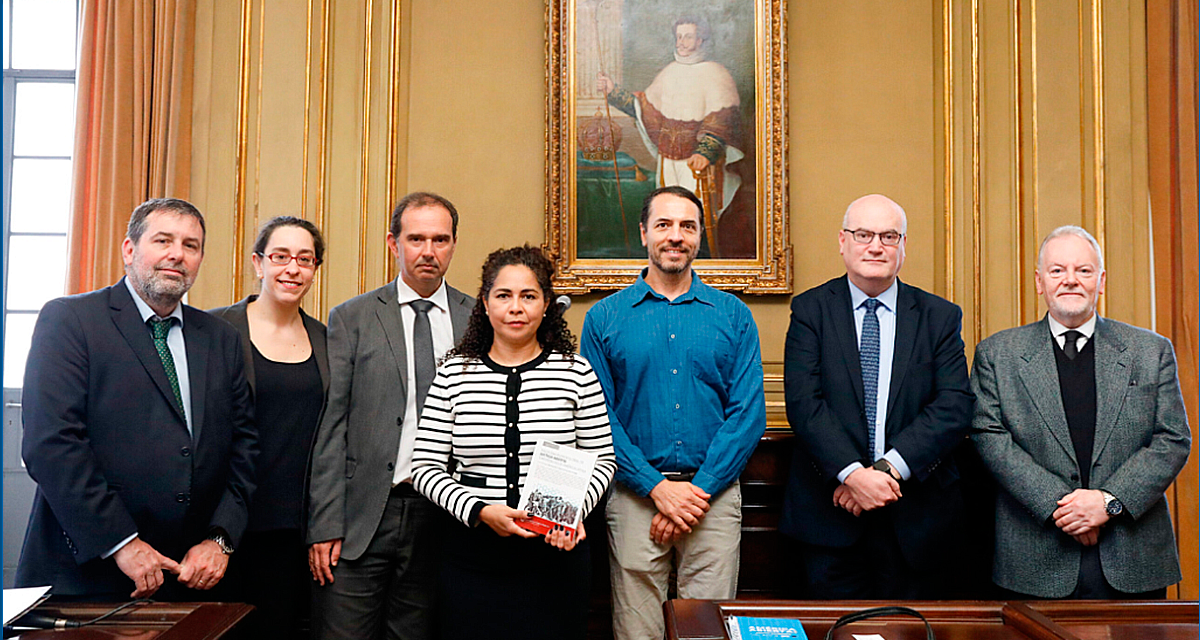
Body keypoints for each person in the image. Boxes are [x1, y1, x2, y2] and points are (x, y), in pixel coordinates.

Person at [15, 198, 257, 600]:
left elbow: (245, 448)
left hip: (187, 578)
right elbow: (51, 443)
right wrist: (121, 542)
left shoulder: (221, 339)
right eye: (163, 240)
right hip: (87, 575)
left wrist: (220, 539)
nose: (176, 254)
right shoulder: (71, 321)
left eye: (190, 245)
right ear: (129, 250)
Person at [580, 186, 766, 640]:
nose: (675, 236)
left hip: (714, 499)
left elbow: (748, 415)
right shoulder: (604, 318)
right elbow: (596, 417)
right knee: (636, 631)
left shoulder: (733, 315)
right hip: (633, 497)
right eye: (664, 225)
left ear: (701, 236)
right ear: (644, 233)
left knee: (707, 630)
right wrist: (658, 489)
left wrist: (694, 492)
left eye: (687, 226)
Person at [971, 225, 1190, 598]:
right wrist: (1065, 507)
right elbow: (988, 437)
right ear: (1040, 282)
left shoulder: (1150, 351)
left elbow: (1172, 439)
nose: (1070, 280)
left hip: (1133, 558)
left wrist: (1108, 501)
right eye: (1057, 271)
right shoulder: (997, 354)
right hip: (1033, 558)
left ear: (1101, 281)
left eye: (1083, 271)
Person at [411, 245, 617, 640]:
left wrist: (571, 513)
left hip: (555, 556)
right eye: (504, 296)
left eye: (528, 296)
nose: (516, 307)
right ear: (485, 305)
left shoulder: (576, 371)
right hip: (472, 556)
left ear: (547, 305)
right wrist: (480, 510)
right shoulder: (454, 373)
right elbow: (424, 467)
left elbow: (603, 462)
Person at [779, 194, 974, 599]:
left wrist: (883, 473)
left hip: (917, 522)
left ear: (903, 246)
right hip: (830, 520)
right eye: (864, 234)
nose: (875, 246)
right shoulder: (811, 310)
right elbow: (804, 403)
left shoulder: (939, 316)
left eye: (888, 236)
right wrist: (851, 475)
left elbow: (953, 405)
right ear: (842, 241)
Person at [306, 192, 474, 640]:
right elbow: (332, 426)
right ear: (393, 243)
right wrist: (324, 524)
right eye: (415, 238)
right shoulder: (353, 317)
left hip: (443, 516)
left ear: (454, 245)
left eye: (440, 240)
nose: (428, 251)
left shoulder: (477, 317)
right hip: (364, 516)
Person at [209, 216, 328, 637]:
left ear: (314, 269)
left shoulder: (328, 341)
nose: (292, 268)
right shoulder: (214, 329)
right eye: (280, 257)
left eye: (304, 259)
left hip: (292, 531)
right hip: (219, 526)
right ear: (258, 263)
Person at [597, 17, 744, 225]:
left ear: (700, 40)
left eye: (688, 37)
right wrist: (613, 91)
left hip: (697, 164)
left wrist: (704, 152)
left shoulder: (716, 73)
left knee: (695, 219)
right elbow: (644, 108)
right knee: (667, 215)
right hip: (668, 162)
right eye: (679, 37)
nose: (681, 42)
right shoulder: (669, 71)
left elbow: (722, 119)